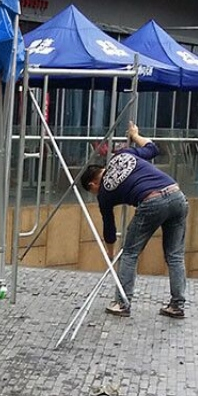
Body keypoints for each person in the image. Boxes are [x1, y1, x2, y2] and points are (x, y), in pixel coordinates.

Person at [79, 121, 188, 319]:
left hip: (152, 201)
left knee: (129, 253)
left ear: (93, 183)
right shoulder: (123, 155)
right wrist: (135, 134)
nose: (94, 194)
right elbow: (152, 148)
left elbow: (109, 229)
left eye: (92, 191)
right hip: (177, 194)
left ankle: (122, 303)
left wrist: (110, 255)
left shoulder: (104, 192)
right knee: (175, 255)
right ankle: (177, 305)